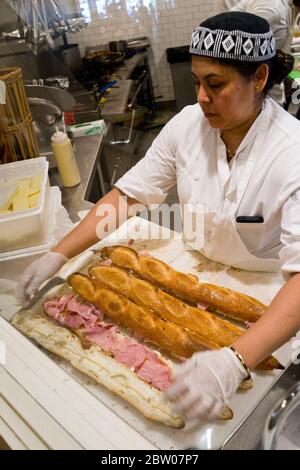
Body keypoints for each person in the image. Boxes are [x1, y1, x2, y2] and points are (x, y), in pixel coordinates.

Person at [18, 11, 300, 422]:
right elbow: (128, 197)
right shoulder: (188, 125)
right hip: (192, 271)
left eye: (215, 84)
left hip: (264, 298)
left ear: (258, 78)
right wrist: (58, 254)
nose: (201, 97)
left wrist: (234, 360)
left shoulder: (291, 154)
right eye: (197, 82)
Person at [213, 0, 293, 105]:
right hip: (255, 94)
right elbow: (239, 49)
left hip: (262, 88)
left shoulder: (278, 5)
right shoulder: (270, 10)